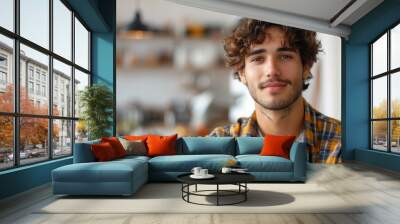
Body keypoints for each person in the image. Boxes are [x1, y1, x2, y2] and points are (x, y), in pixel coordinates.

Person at [208, 18, 341, 164]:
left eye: (285, 56)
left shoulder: (342, 143)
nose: (272, 70)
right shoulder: (216, 147)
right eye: (258, 58)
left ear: (306, 67)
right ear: (241, 72)